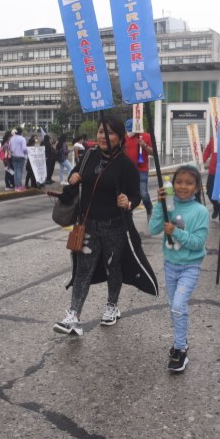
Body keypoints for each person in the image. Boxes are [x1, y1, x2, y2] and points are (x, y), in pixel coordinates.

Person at [53, 118, 142, 335]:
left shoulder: (126, 165)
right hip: (88, 226)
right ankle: (73, 315)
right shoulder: (89, 157)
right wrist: (72, 181)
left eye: (110, 133)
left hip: (115, 227)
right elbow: (74, 185)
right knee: (82, 270)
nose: (103, 136)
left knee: (114, 267)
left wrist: (128, 202)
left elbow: (136, 196)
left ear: (120, 138)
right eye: (101, 132)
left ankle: (112, 305)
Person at [148, 165, 209, 372]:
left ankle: (181, 350)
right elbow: (153, 229)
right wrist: (160, 204)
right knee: (174, 307)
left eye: (189, 183)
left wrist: (176, 232)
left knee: (177, 306)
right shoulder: (169, 205)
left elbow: (198, 242)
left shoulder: (201, 212)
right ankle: (179, 342)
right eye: (179, 182)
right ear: (173, 184)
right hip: (170, 264)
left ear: (197, 187)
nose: (183, 186)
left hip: (190, 266)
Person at [124, 118, 154, 220]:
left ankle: (149, 208)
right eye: (127, 130)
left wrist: (144, 145)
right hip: (128, 171)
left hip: (142, 169)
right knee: (128, 194)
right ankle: (128, 212)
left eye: (130, 130)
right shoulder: (124, 138)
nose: (129, 133)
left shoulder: (145, 136)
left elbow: (152, 152)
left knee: (143, 193)